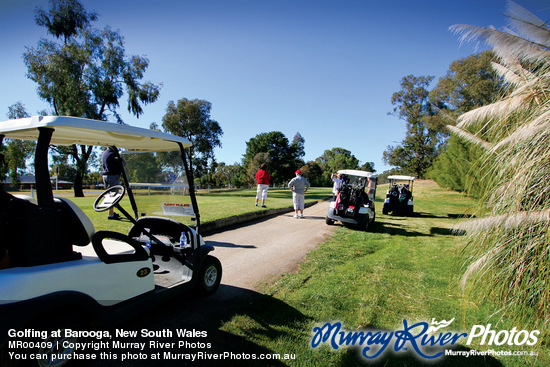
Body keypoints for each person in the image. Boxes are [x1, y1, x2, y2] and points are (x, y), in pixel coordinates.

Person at [101, 146, 122, 220]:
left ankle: (111, 213)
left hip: (105, 176)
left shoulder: (104, 153)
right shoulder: (113, 154)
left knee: (109, 195)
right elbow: (123, 163)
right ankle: (111, 214)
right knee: (113, 195)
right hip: (113, 176)